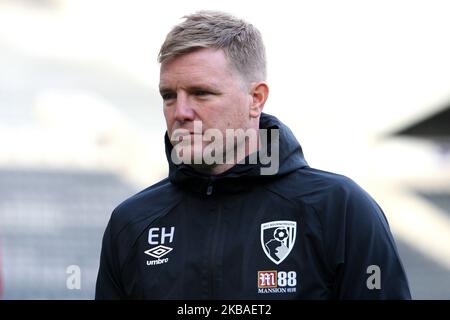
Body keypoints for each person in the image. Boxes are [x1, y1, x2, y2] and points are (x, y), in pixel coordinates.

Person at [95, 10, 411, 299]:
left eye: (201, 93)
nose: (181, 112)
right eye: (168, 96)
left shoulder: (339, 210)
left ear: (256, 99)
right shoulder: (132, 223)